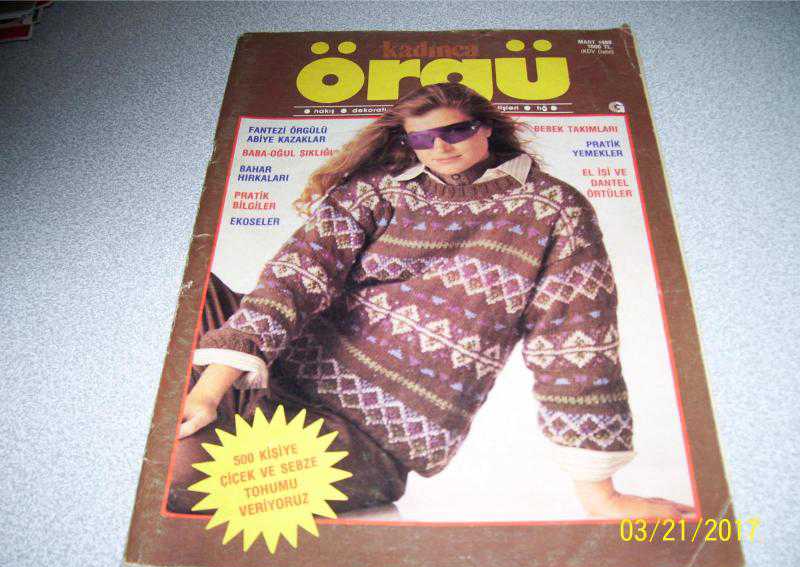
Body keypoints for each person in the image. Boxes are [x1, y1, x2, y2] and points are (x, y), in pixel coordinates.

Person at [168, 82, 693, 519]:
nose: (440, 147)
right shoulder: (379, 189)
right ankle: (194, 400)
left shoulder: (555, 211)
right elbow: (297, 275)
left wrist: (602, 496)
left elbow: (576, 348)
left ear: (486, 128)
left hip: (358, 434)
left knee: (182, 476)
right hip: (261, 367)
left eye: (456, 131)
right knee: (189, 283)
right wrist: (212, 387)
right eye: (423, 137)